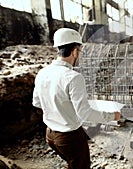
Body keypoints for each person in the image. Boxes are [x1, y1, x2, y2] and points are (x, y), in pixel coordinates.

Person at [32, 28, 121, 169]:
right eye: (79, 52)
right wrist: (113, 116)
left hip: (50, 135)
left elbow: (37, 102)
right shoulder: (73, 77)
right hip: (69, 137)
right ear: (74, 51)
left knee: (72, 163)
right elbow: (85, 114)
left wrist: (58, 108)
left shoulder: (43, 72)